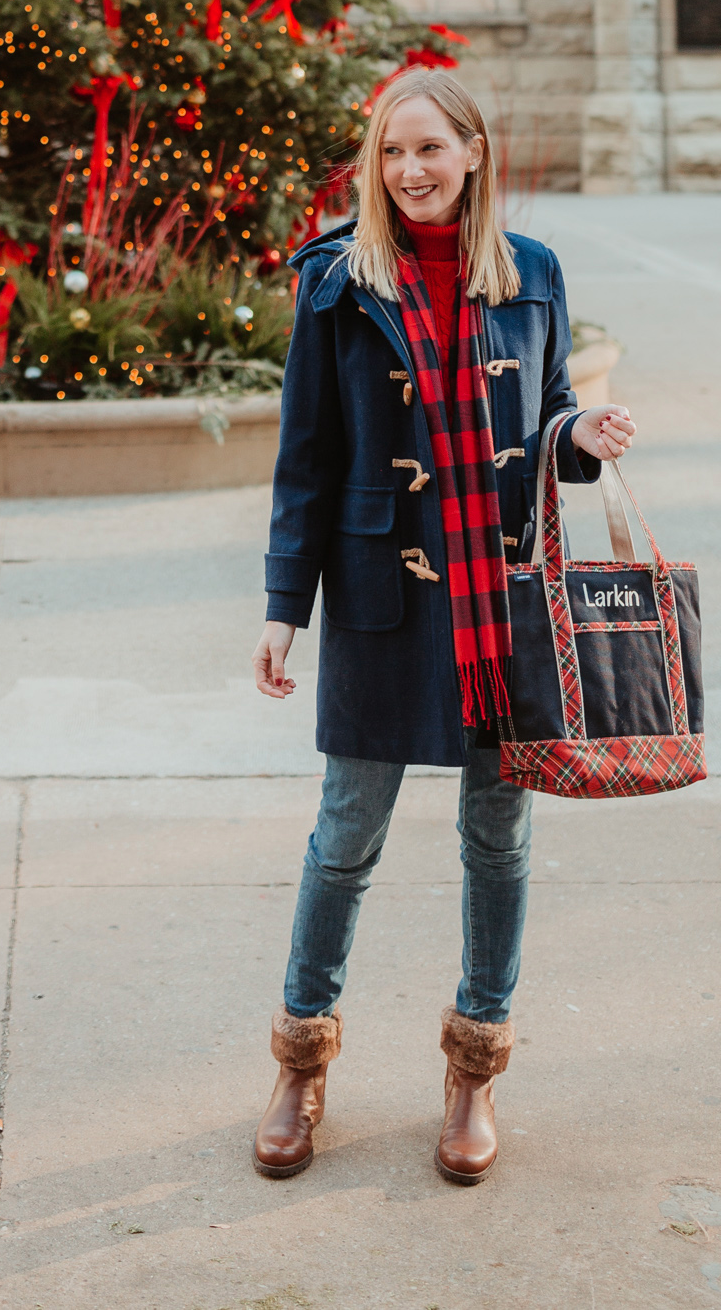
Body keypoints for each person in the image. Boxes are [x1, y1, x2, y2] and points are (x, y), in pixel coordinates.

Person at [250, 66, 634, 1189]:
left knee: (498, 843)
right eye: (391, 152)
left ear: (473, 153)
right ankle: (301, 1057)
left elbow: (547, 417)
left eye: (431, 149)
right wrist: (283, 609)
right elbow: (305, 462)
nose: (411, 171)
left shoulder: (533, 273)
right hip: (383, 600)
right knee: (345, 839)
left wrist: (584, 435)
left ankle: (475, 1068)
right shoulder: (336, 283)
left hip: (500, 602)